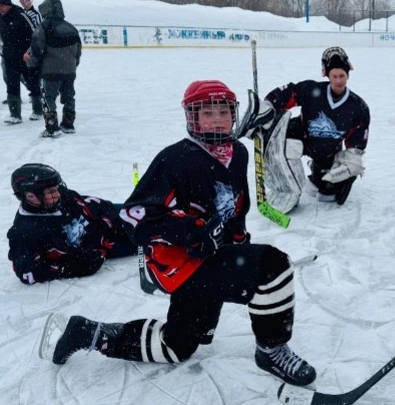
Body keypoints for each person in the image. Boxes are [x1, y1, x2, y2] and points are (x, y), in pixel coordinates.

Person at [39, 80, 317, 387]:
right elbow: (133, 216)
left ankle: (89, 333)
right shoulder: (175, 158)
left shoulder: (237, 152)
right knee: (273, 265)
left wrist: (238, 241)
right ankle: (271, 349)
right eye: (208, 113)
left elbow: (237, 203)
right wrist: (191, 231)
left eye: (224, 112)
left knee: (177, 346)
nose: (218, 119)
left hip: (214, 260)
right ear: (192, 117)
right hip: (182, 263)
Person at [244, 46, 370, 209]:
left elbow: (356, 143)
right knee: (284, 140)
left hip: (329, 150)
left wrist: (350, 164)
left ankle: (319, 174)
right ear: (327, 74)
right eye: (334, 76)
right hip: (302, 135)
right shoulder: (312, 90)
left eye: (342, 76)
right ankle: (287, 189)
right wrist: (265, 110)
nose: (338, 80)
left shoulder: (358, 107)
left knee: (327, 193)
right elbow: (286, 94)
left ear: (348, 75)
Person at [7, 163, 137, 285]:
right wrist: (70, 267)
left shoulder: (59, 196)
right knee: (152, 239)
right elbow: (26, 273)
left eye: (56, 188)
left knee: (150, 210)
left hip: (106, 226)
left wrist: (117, 219)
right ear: (30, 196)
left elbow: (92, 205)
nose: (58, 194)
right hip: (103, 247)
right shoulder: (23, 232)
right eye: (50, 192)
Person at [25, 0, 82, 137]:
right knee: (69, 96)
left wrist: (31, 65)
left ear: (45, 10)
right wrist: (72, 66)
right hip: (69, 70)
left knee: (48, 97)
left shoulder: (43, 27)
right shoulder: (71, 28)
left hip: (50, 70)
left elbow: (37, 48)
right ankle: (68, 124)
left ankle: (52, 127)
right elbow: (78, 52)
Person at [0, 0, 42, 124]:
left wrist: (29, 52)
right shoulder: (0, 17)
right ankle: (15, 115)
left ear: (8, 5)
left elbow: (36, 35)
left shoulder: (21, 15)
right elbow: (3, 35)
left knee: (32, 83)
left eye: (2, 5)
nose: (0, 8)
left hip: (25, 57)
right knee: (11, 85)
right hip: (9, 57)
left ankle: (38, 110)